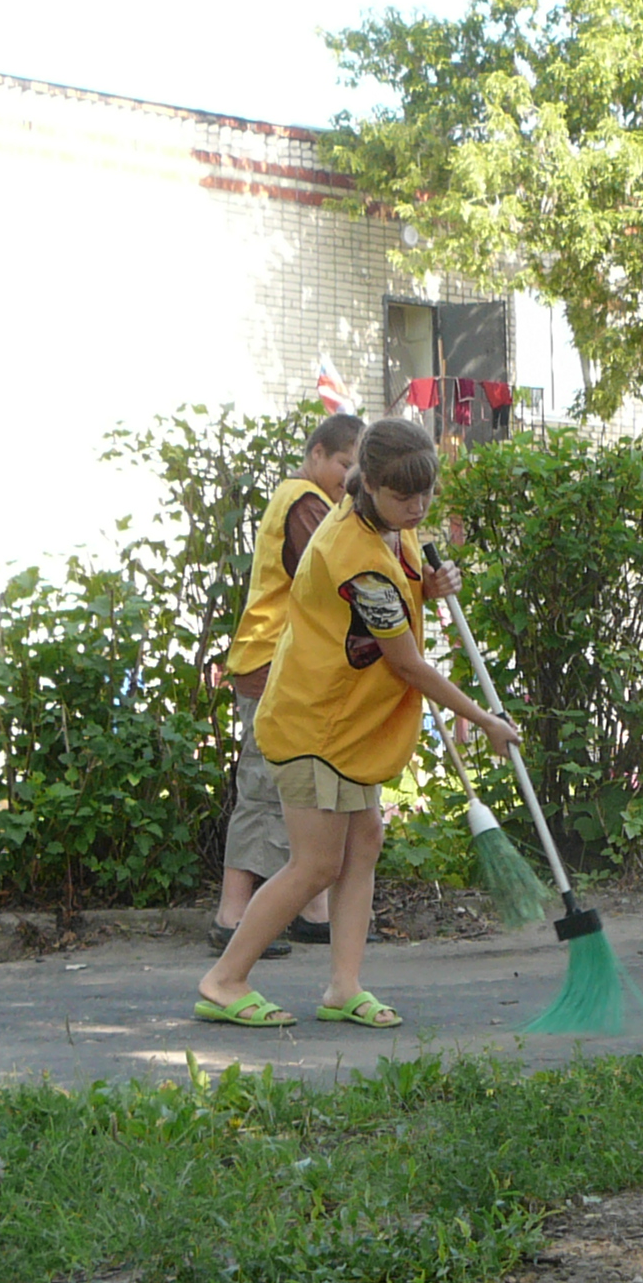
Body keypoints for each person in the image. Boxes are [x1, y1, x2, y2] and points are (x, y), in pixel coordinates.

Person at [196, 419, 519, 1029]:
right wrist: (485, 719)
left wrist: (427, 583)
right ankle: (224, 979)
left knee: (363, 841)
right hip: (315, 724)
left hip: (346, 726)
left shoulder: (388, 525)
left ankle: (343, 987)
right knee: (316, 863)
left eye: (425, 495)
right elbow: (405, 664)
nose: (417, 507)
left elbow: (400, 593)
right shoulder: (355, 556)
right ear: (369, 483)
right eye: (404, 497)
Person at [216, 413, 365, 953]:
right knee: (263, 789)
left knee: (302, 789)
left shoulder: (313, 502)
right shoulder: (304, 504)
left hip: (290, 668)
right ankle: (233, 915)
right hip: (270, 667)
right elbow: (330, 576)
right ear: (317, 454)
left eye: (358, 470)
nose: (349, 478)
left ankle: (312, 910)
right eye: (345, 465)